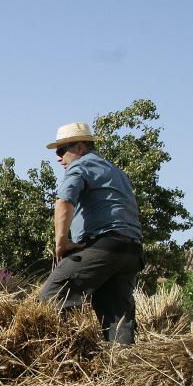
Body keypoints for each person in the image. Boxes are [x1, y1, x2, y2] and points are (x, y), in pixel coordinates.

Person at [39, 122, 144, 344]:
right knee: (116, 314)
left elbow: (64, 202)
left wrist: (61, 242)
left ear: (79, 148)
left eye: (61, 150)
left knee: (51, 296)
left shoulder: (80, 166)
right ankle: (123, 368)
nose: (59, 158)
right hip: (131, 252)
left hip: (103, 246)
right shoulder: (115, 171)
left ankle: (66, 353)